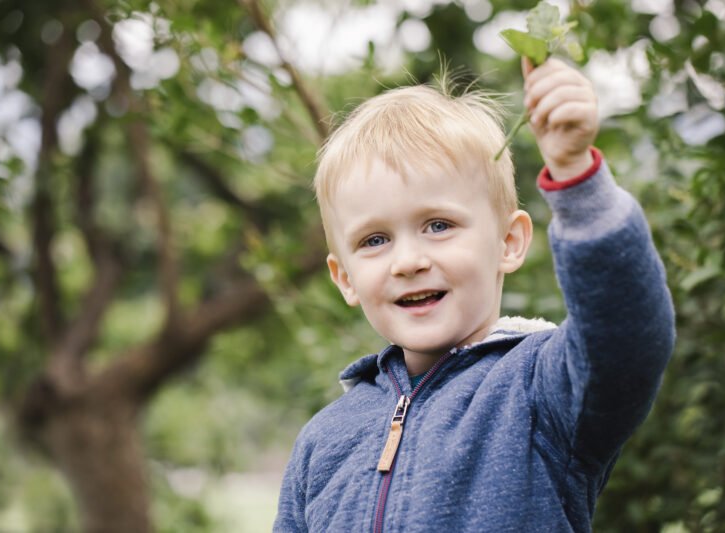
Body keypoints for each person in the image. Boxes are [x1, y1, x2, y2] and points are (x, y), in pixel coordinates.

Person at [273, 58, 675, 532]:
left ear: (508, 242)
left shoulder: (541, 392)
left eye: (438, 225)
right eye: (374, 240)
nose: (407, 261)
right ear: (345, 278)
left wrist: (576, 178)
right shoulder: (324, 440)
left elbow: (626, 339)